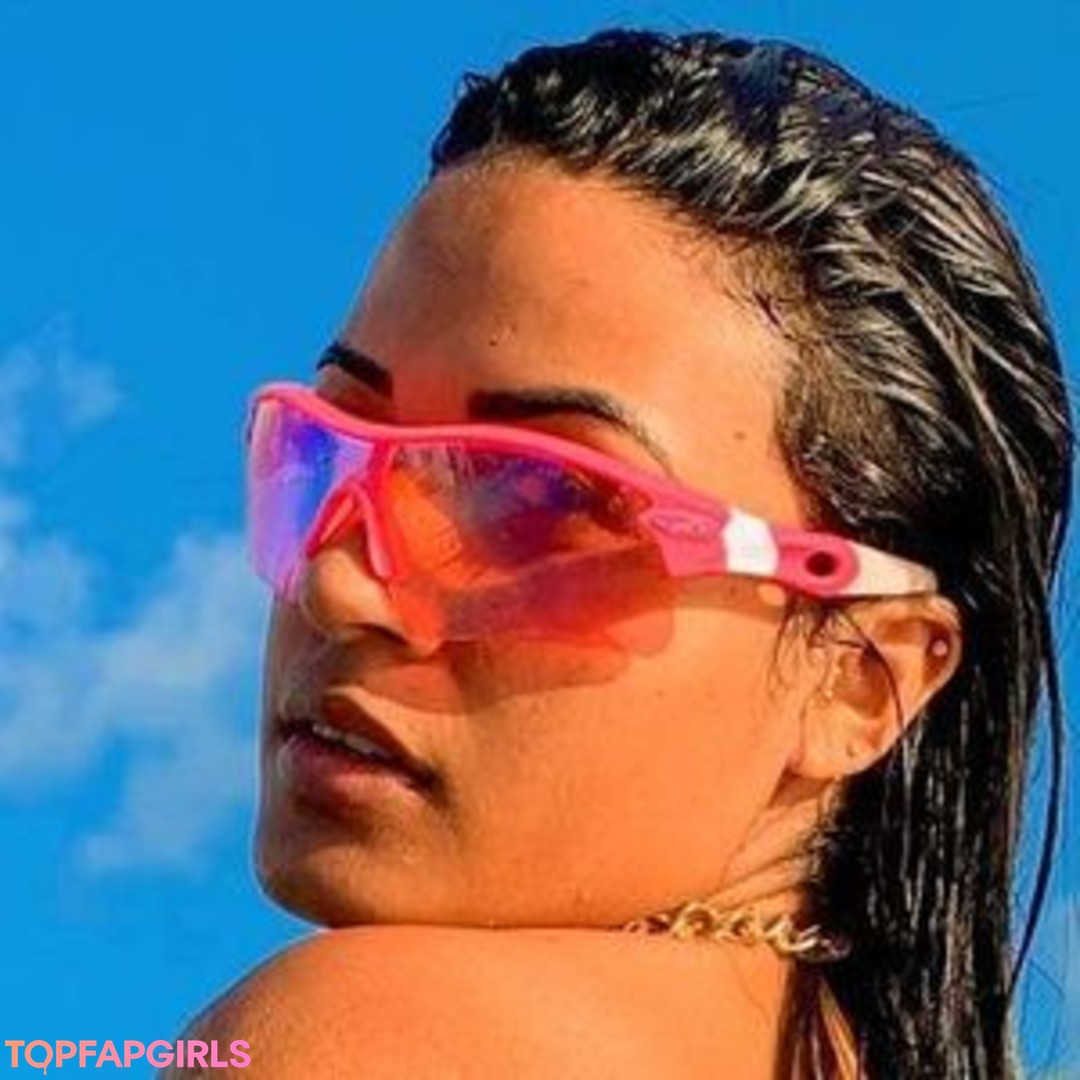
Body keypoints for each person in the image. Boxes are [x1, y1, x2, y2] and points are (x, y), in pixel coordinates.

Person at [169, 27, 1075, 1078]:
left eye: (541, 499)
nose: (339, 583)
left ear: (860, 678)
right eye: (329, 452)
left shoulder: (367, 1036)